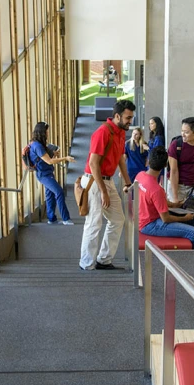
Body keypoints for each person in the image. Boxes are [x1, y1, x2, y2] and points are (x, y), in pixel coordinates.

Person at [79, 100, 134, 270]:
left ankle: (104, 260)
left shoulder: (121, 132)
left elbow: (120, 159)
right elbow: (94, 163)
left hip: (107, 180)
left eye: (131, 118)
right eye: (128, 117)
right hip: (94, 181)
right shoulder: (102, 132)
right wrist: (103, 191)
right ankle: (86, 264)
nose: (130, 121)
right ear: (117, 116)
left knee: (118, 219)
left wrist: (127, 182)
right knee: (94, 223)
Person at [136, 147, 194, 248]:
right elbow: (165, 219)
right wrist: (185, 218)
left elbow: (153, 200)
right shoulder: (157, 189)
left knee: (190, 220)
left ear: (148, 161)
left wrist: (175, 205)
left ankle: (189, 252)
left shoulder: (140, 175)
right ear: (165, 165)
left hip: (142, 218)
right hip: (149, 225)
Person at [28, 122, 76, 225]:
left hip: (45, 172)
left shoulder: (36, 144)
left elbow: (45, 158)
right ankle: (66, 218)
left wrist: (53, 154)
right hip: (44, 175)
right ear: (42, 132)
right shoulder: (38, 146)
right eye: (46, 131)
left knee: (49, 195)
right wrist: (65, 158)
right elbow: (49, 161)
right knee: (59, 192)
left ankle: (51, 219)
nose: (48, 133)